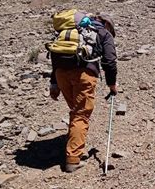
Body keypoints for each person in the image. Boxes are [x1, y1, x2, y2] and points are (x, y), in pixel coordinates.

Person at [49, 12, 118, 172]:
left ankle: (75, 145)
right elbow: (109, 61)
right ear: (107, 24)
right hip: (83, 74)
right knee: (81, 114)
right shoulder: (103, 32)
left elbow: (55, 54)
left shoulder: (72, 29)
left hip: (61, 73)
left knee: (76, 111)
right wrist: (112, 84)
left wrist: (54, 83)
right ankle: (73, 159)